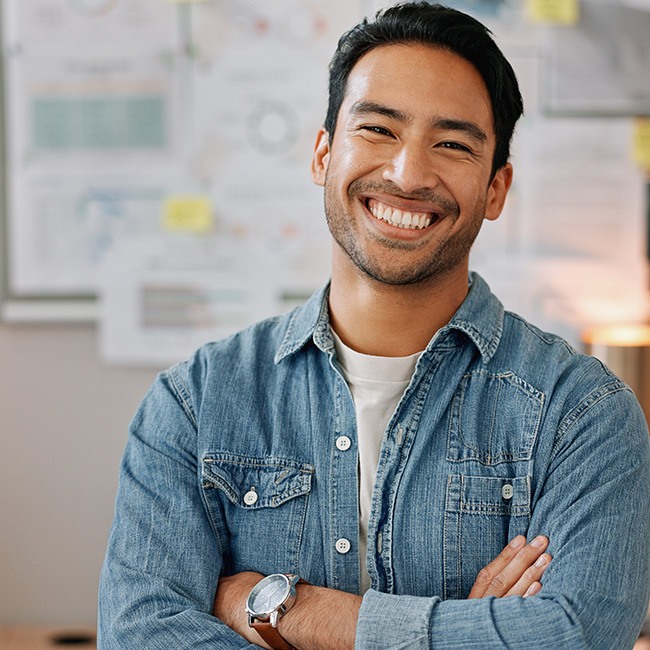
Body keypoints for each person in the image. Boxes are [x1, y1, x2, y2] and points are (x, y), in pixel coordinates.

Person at [98, 3, 650, 648]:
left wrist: (296, 615)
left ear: (496, 188)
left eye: (451, 144)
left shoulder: (583, 414)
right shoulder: (195, 404)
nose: (408, 174)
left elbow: (575, 636)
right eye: (379, 130)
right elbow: (141, 634)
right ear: (323, 154)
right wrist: (473, 632)